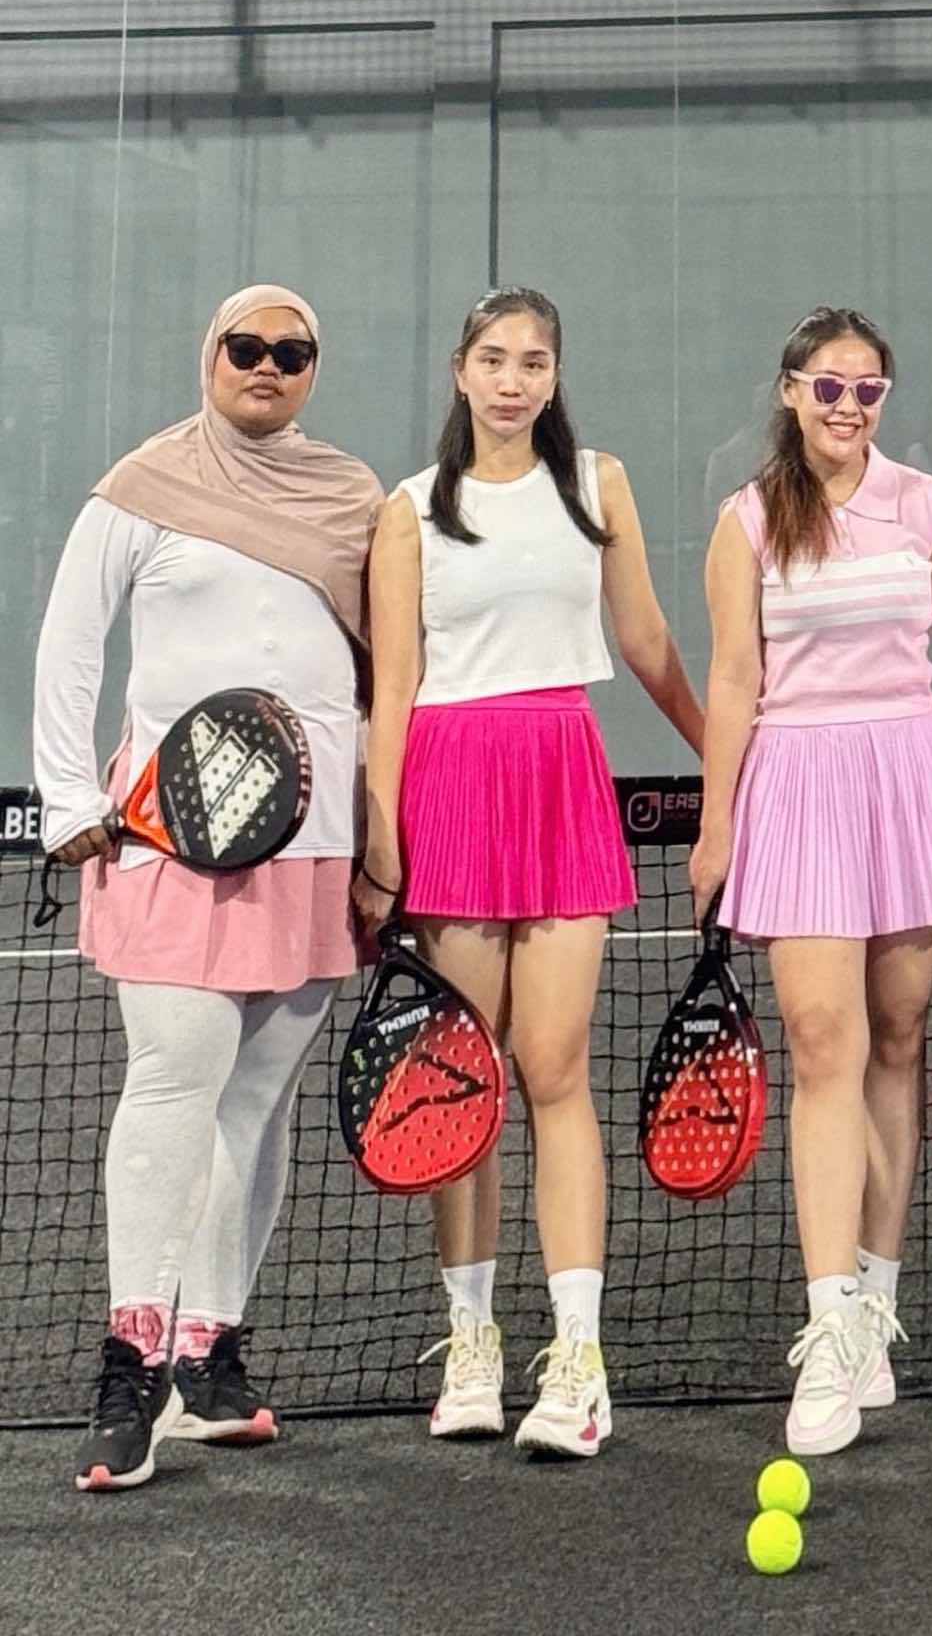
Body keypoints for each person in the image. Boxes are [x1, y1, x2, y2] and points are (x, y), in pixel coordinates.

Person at [34, 285, 384, 1490]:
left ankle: (208, 1359)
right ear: (211, 355)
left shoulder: (352, 498)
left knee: (258, 1104)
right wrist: (66, 797)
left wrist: (380, 841)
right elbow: (70, 641)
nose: (267, 365)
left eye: (293, 351)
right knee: (175, 1077)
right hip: (168, 840)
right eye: (247, 346)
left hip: (315, 847)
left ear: (313, 368)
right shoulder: (141, 486)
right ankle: (129, 1365)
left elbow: (387, 672)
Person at [357, 285, 702, 1459]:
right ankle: (471, 1346)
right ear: (462, 370)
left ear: (556, 377)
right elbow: (394, 684)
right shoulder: (408, 511)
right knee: (462, 1084)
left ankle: (578, 1360)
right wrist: (381, 838)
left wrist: (727, 757)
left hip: (560, 774)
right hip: (448, 786)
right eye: (495, 359)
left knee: (554, 1069)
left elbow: (645, 639)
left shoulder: (599, 485)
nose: (514, 380)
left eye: (535, 361)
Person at [691, 305, 932, 1457]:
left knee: (898, 1044)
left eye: (867, 391)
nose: (848, 408)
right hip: (798, 782)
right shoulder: (747, 520)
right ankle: (829, 1320)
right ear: (792, 391)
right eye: (829, 387)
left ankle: (875, 1304)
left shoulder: (925, 505)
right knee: (823, 1046)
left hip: (905, 775)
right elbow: (734, 679)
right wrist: (717, 824)